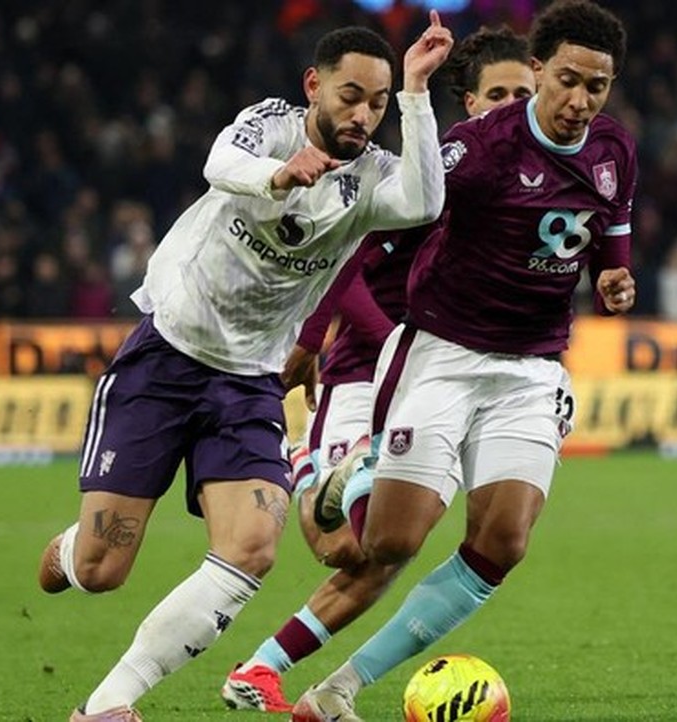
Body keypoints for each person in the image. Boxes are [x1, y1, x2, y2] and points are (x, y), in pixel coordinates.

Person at [34, 16, 455, 722]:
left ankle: (106, 706)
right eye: (352, 96)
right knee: (104, 571)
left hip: (248, 381)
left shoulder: (374, 175)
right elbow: (220, 163)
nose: (362, 115)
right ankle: (72, 550)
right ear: (313, 86)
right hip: (165, 357)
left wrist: (416, 91)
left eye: (376, 104)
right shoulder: (270, 125)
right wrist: (275, 176)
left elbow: (425, 200)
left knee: (253, 548)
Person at [291, 2, 637, 720]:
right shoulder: (479, 149)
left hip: (533, 367)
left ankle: (338, 689)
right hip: (443, 353)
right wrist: (308, 336)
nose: (580, 101)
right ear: (538, 69)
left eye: (596, 87)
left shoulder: (613, 152)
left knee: (503, 542)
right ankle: (346, 469)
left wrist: (614, 277)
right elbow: (397, 218)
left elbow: (612, 242)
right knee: (385, 542)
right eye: (567, 80)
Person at [219, 27, 536, 714]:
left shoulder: (536, 180)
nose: (512, 105)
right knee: (343, 548)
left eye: (523, 94)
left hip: (445, 379)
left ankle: (268, 672)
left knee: (386, 553)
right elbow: (348, 259)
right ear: (470, 100)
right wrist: (328, 338)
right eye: (498, 94)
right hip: (371, 368)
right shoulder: (440, 170)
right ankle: (309, 462)